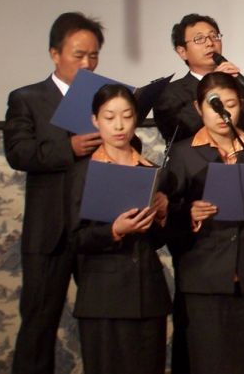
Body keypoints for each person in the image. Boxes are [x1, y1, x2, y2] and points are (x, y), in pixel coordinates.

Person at [4, 12, 105, 374]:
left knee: (103, 323)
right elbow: (19, 153)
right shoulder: (27, 98)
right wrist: (69, 148)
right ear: (54, 53)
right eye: (79, 55)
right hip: (49, 231)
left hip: (96, 227)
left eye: (93, 56)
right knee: (38, 325)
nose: (87, 64)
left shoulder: (105, 100)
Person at [165, 72, 244, 374]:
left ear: (241, 105)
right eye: (214, 105)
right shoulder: (183, 153)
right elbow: (166, 215)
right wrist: (188, 214)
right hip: (204, 277)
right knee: (208, 362)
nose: (222, 113)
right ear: (198, 108)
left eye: (230, 104)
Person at [67, 85, 172, 374]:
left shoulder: (151, 171)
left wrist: (163, 215)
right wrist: (114, 230)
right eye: (109, 117)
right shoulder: (82, 173)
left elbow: (156, 241)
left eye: (126, 116)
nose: (119, 125)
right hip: (103, 298)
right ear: (95, 121)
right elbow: (75, 239)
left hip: (148, 294)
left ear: (135, 118)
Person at [153, 13, 244, 145]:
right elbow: (175, 133)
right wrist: (210, 87)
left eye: (214, 36)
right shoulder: (168, 93)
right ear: (182, 52)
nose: (210, 43)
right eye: (199, 39)